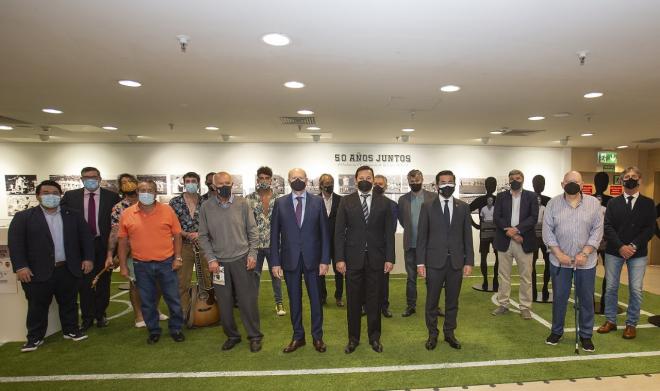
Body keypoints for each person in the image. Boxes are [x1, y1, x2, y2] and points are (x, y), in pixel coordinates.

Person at [8, 180, 94, 352]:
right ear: (38, 196)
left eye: (55, 193)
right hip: (37, 271)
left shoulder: (73, 215)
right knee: (37, 305)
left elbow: (86, 238)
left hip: (67, 268)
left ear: (60, 195)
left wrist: (88, 258)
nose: (51, 196)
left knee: (69, 302)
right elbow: (16, 245)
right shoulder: (23, 217)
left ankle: (70, 330)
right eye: (46, 192)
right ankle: (34, 338)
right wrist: (21, 267)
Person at [198, 172, 263, 352]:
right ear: (213, 186)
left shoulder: (243, 204)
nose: (224, 186)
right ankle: (232, 335)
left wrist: (252, 255)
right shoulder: (206, 207)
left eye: (228, 183)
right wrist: (210, 258)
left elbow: (253, 231)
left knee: (247, 301)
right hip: (219, 264)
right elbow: (203, 236)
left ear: (232, 184)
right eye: (220, 184)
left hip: (242, 260)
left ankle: (255, 336)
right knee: (224, 303)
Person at [335, 165, 395, 354]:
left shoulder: (384, 202)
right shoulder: (346, 202)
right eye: (362, 177)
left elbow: (388, 233)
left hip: (376, 259)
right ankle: (353, 339)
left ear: (373, 179)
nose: (365, 180)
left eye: (369, 178)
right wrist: (339, 258)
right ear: (355, 179)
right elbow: (338, 233)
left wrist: (390, 258)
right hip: (353, 260)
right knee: (353, 301)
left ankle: (374, 338)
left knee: (374, 300)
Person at [117, 180, 185, 344]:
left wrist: (177, 257)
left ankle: (176, 329)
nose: (146, 193)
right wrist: (123, 265)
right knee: (147, 301)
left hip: (167, 263)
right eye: (142, 190)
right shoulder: (127, 214)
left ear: (155, 193)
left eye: (149, 190)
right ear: (137, 192)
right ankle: (153, 330)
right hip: (141, 265)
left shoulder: (167, 211)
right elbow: (123, 241)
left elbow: (177, 235)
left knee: (173, 299)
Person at [270, 168, 330, 353]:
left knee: (315, 301)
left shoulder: (318, 202)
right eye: (293, 178)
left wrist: (325, 260)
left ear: (307, 180)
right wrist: (275, 262)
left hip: (314, 261)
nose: (297, 180)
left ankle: (317, 337)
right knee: (294, 300)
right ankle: (298, 337)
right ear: (288, 180)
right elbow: (274, 235)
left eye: (301, 178)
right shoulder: (280, 203)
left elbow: (324, 234)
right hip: (290, 261)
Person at [543, 171, 603, 352]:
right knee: (559, 297)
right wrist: (559, 254)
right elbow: (548, 231)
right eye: (569, 182)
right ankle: (556, 331)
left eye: (576, 182)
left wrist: (585, 253)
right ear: (562, 184)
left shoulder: (594, 204)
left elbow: (597, 231)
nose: (572, 184)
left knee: (586, 299)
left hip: (586, 262)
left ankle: (586, 335)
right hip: (559, 261)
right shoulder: (552, 204)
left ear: (582, 184)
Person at [417, 170, 474, 350]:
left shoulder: (463, 207)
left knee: (452, 302)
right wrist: (420, 262)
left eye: (450, 182)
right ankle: (432, 335)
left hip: (456, 263)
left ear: (455, 184)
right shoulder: (427, 206)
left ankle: (450, 333)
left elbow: (468, 237)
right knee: (432, 302)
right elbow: (422, 238)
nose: (447, 185)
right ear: (436, 185)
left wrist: (469, 262)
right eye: (443, 182)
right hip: (434, 263)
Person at [597, 166, 656, 339]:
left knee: (636, 289)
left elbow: (649, 229)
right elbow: (607, 227)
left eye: (633, 176)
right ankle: (610, 320)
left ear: (640, 180)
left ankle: (631, 324)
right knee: (611, 287)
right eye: (627, 176)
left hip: (638, 253)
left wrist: (633, 246)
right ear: (622, 181)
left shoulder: (648, 203)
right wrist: (621, 246)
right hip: (614, 251)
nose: (630, 179)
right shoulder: (613, 203)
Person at [60, 167, 120, 330]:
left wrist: (115, 252)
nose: (90, 180)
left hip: (103, 244)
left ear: (100, 178)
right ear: (81, 179)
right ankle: (87, 318)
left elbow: (117, 225)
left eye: (94, 177)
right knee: (84, 283)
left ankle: (100, 314)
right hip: (80, 247)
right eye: (86, 177)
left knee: (103, 281)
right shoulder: (70, 197)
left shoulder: (112, 197)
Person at [107, 174, 168, 327]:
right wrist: (112, 255)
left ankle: (154, 309)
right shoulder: (120, 208)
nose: (128, 185)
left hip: (157, 252)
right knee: (136, 285)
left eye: (130, 181)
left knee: (159, 284)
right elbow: (116, 234)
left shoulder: (155, 206)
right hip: (133, 254)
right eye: (124, 183)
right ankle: (139, 315)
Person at [492, 169, 539, 319]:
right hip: (504, 240)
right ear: (509, 181)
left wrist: (518, 231)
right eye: (512, 179)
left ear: (523, 179)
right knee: (503, 275)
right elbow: (497, 217)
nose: (514, 181)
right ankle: (503, 304)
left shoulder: (531, 196)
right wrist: (510, 232)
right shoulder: (501, 197)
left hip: (524, 241)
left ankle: (525, 307)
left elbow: (533, 217)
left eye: (517, 178)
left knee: (526, 276)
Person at [169, 172, 210, 317]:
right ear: (184, 183)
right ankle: (184, 313)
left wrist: (200, 234)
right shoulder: (175, 202)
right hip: (183, 245)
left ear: (198, 183)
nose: (190, 183)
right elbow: (171, 224)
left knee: (207, 279)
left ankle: (209, 309)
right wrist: (185, 234)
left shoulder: (206, 201)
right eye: (188, 181)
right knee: (182, 282)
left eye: (193, 181)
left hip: (204, 246)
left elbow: (212, 223)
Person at [245, 166, 285, 316]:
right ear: (257, 180)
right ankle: (252, 305)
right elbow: (244, 223)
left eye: (267, 178)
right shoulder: (248, 199)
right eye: (261, 178)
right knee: (254, 276)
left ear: (271, 180)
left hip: (274, 244)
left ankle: (279, 303)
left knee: (276, 275)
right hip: (255, 245)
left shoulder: (279, 200)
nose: (264, 181)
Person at [398, 169, 436, 317]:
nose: (414, 184)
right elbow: (402, 220)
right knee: (411, 278)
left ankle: (434, 306)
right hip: (410, 244)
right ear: (408, 182)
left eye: (417, 181)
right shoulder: (403, 199)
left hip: (429, 245)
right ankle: (411, 305)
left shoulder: (433, 197)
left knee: (432, 277)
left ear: (422, 180)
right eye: (412, 182)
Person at [374, 174, 399, 318]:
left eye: (380, 184)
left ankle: (384, 306)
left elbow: (392, 229)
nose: (378, 186)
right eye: (375, 183)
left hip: (383, 248)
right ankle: (365, 305)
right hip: (368, 248)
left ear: (386, 186)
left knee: (384, 279)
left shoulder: (392, 205)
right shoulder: (365, 203)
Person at [317, 174, 344, 307]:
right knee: (320, 271)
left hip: (337, 241)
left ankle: (339, 296)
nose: (329, 185)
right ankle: (322, 296)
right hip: (320, 242)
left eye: (331, 182)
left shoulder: (341, 200)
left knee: (339, 270)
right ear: (321, 185)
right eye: (327, 183)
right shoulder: (314, 200)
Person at [469, 177, 500, 291]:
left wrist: (476, 225)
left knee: (495, 257)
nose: (491, 186)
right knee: (486, 257)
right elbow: (467, 210)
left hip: (493, 233)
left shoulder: (497, 199)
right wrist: (476, 225)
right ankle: (487, 280)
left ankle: (492, 279)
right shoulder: (486, 199)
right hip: (487, 233)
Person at [531, 175, 551, 302]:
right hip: (533, 236)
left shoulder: (549, 201)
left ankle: (544, 287)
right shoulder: (528, 199)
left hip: (545, 237)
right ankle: (534, 288)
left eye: (541, 183)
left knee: (547, 263)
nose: (540, 186)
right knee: (531, 264)